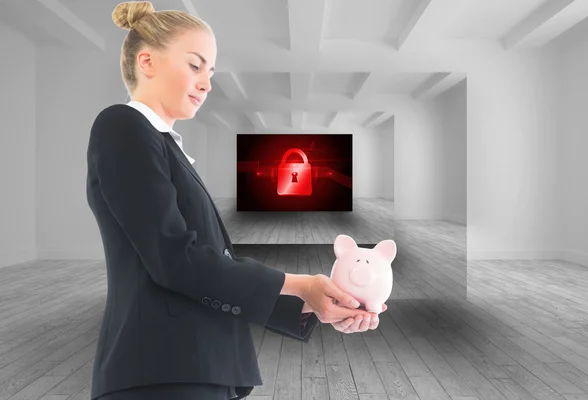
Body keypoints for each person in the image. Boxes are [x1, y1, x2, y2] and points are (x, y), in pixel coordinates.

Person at [85, 2, 387, 399]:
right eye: (195, 65)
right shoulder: (123, 126)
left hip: (194, 369)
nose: (207, 83)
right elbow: (175, 260)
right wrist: (300, 284)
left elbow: (209, 265)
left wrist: (314, 303)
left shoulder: (163, 147)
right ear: (147, 62)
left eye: (210, 72)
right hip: (162, 374)